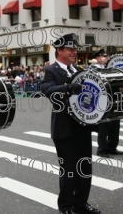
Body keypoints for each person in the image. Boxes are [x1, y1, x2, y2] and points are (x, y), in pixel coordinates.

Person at [41, 33, 101, 214]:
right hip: (64, 128)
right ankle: (66, 206)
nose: (74, 52)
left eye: (75, 49)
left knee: (84, 167)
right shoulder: (51, 70)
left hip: (82, 127)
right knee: (68, 170)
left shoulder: (78, 70)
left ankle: (81, 203)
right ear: (59, 50)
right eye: (70, 49)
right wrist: (67, 88)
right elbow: (47, 89)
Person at [91, 49, 123, 158]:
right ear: (97, 58)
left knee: (115, 124)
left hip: (113, 100)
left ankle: (112, 147)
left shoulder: (110, 69)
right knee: (104, 126)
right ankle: (102, 149)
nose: (107, 57)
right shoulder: (93, 69)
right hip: (102, 101)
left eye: (107, 56)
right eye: (104, 56)